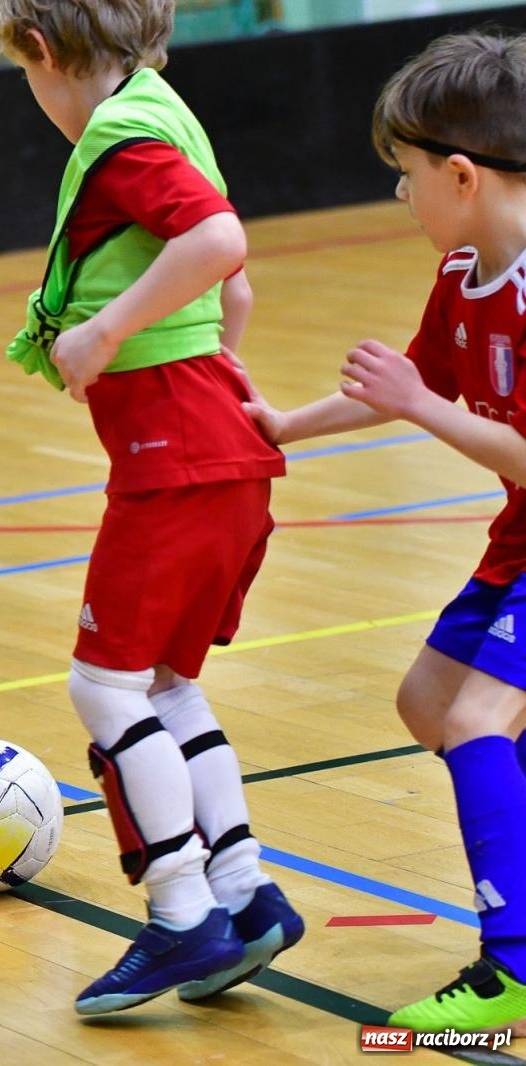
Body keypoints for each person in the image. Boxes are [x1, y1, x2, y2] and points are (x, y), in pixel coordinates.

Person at [0, 0, 303, 1015]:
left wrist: (106, 329)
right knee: (167, 682)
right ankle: (244, 892)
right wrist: (201, 339)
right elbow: (236, 283)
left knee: (104, 689)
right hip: (223, 451)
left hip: (175, 458)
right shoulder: (161, 105)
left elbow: (216, 238)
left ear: (39, 51)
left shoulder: (119, 139)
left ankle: (178, 914)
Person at [244, 30, 526, 1032]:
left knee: (477, 720)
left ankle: (509, 976)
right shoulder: (463, 270)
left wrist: (417, 406)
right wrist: (286, 422)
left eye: (404, 176)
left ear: (459, 173)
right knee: (426, 703)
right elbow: (405, 387)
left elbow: (439, 412)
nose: (399, 197)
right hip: (521, 538)